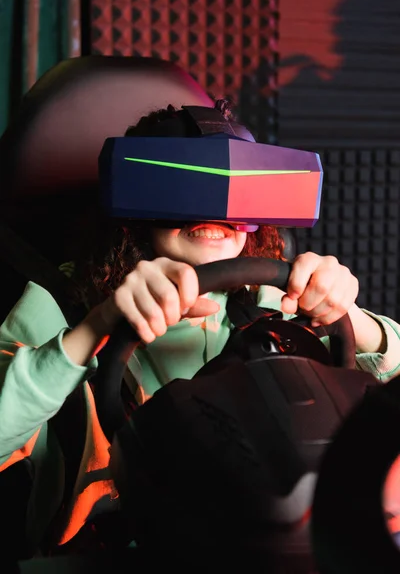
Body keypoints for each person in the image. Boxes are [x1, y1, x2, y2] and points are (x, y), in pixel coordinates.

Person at [1, 99, 400, 557]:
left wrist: (355, 319)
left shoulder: (277, 298)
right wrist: (98, 324)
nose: (216, 216)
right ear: (135, 210)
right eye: (186, 191)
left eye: (237, 198)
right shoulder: (56, 308)